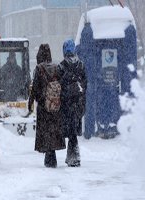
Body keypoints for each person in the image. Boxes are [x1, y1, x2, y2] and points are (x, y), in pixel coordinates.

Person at [28, 44, 66, 168]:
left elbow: (35, 89)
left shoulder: (39, 69)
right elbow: (61, 86)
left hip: (43, 105)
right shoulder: (56, 67)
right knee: (53, 130)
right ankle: (52, 155)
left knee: (45, 131)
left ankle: (48, 157)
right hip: (55, 105)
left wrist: (31, 102)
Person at [59, 39, 87, 167]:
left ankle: (74, 157)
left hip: (66, 103)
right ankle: (72, 156)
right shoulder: (80, 65)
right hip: (78, 103)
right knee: (73, 130)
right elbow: (85, 83)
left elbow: (59, 85)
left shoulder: (62, 66)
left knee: (70, 132)